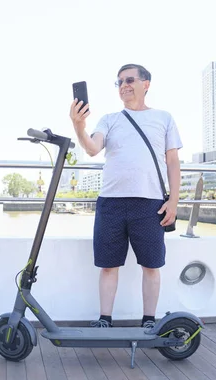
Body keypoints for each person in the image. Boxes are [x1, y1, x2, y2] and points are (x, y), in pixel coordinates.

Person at [69, 63, 182, 329]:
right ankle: (104, 320)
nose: (124, 86)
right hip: (112, 203)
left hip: (150, 203)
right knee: (108, 265)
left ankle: (148, 321)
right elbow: (93, 148)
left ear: (146, 84)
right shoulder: (109, 119)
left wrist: (174, 201)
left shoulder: (163, 118)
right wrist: (78, 126)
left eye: (129, 80)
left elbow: (173, 162)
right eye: (119, 82)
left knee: (151, 266)